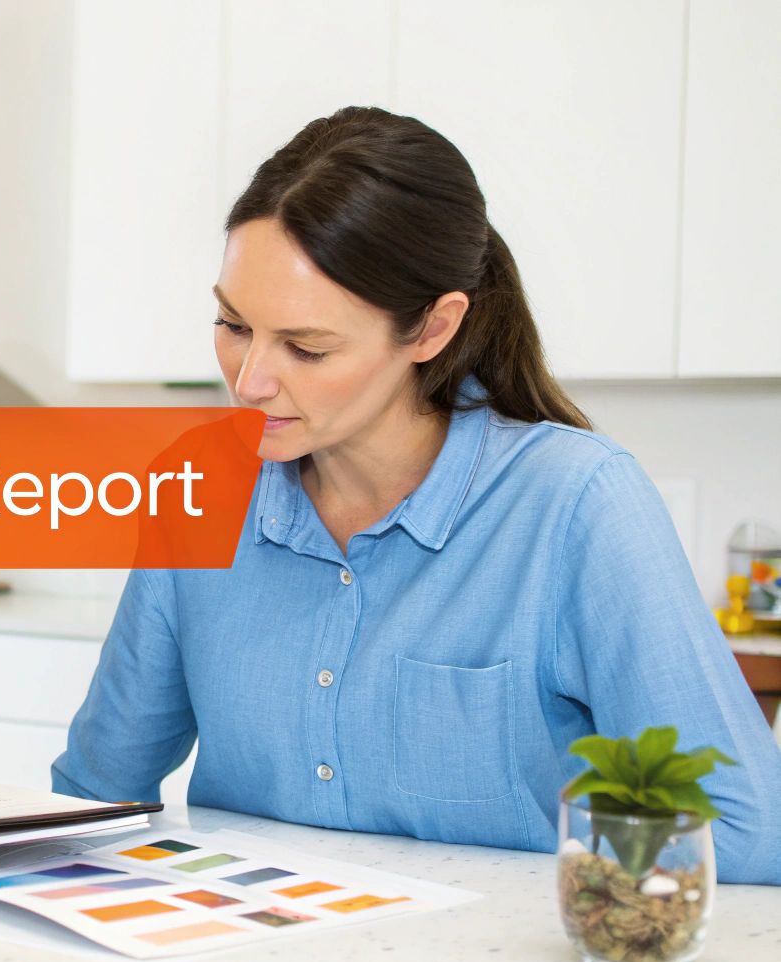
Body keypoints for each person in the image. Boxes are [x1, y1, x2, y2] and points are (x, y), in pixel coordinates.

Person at [52, 106, 781, 884]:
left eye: (306, 346)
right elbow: (97, 798)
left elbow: (742, 838)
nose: (250, 381)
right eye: (233, 324)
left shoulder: (577, 506)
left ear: (433, 329)